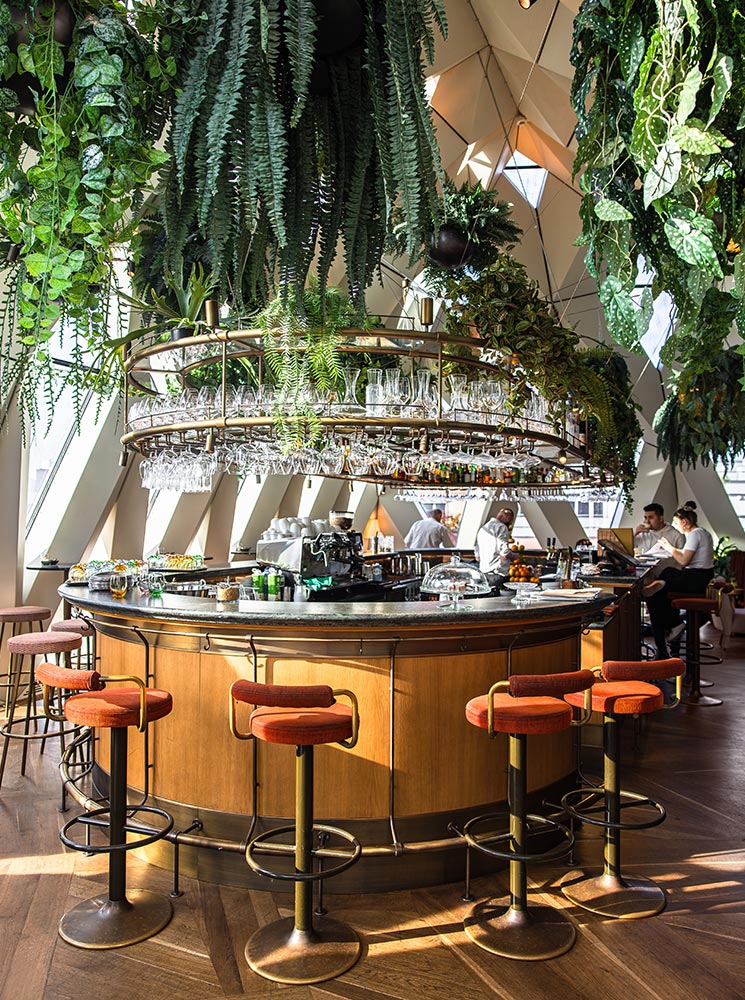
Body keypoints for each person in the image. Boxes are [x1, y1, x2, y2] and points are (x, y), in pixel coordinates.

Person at [645, 503, 714, 658]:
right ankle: (662, 588)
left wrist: (669, 547)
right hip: (701, 578)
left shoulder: (694, 534)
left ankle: (673, 627)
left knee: (654, 598)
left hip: (696, 580)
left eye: (676, 523)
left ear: (683, 522)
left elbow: (684, 561)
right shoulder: (703, 533)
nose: (675, 527)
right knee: (668, 571)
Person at [477, 507, 515, 588]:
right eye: (510, 520)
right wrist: (515, 556)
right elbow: (505, 553)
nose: (510, 523)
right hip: (497, 573)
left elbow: (477, 555)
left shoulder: (483, 528)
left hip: (484, 572)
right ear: (508, 518)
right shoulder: (502, 527)